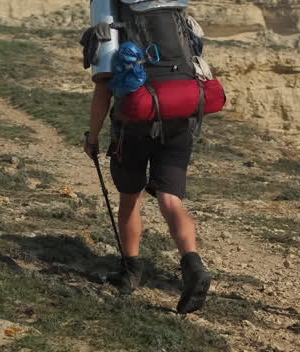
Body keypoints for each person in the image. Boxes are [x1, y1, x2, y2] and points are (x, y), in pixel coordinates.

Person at [85, 77, 211, 314]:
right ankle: (193, 263)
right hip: (177, 124)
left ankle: (131, 271)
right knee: (171, 200)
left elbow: (103, 91)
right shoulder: (182, 37)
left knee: (130, 198)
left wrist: (92, 138)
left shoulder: (114, 38)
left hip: (131, 128)